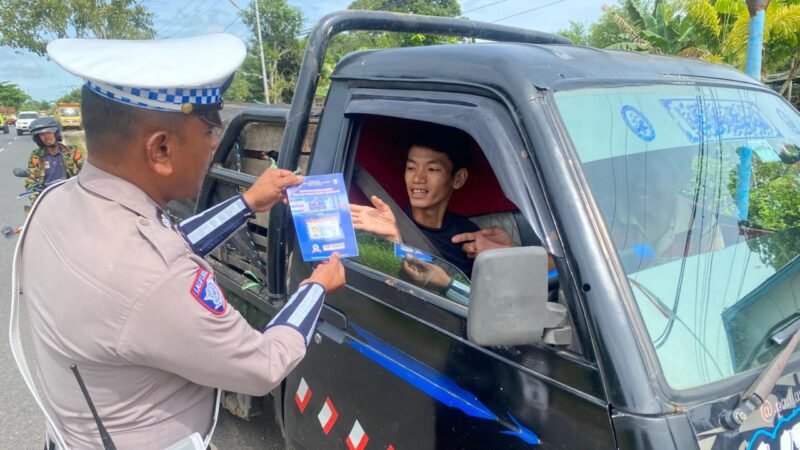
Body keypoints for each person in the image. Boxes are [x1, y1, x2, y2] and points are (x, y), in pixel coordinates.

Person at [15, 33, 345, 449]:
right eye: (210, 131)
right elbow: (261, 365)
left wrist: (245, 203)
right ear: (162, 149)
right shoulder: (153, 276)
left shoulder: (56, 202)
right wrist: (316, 288)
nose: (214, 146)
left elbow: (165, 247)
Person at [350, 126, 515, 276]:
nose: (418, 178)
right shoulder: (385, 226)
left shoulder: (467, 234)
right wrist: (394, 241)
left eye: (432, 169)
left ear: (458, 179)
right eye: (411, 168)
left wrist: (510, 252)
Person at [24, 116, 85, 202]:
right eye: (42, 134)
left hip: (70, 195)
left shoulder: (71, 151)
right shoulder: (36, 155)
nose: (46, 137)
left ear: (56, 133)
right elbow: (31, 180)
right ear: (38, 138)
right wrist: (35, 198)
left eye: (49, 132)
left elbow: (84, 170)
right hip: (47, 197)